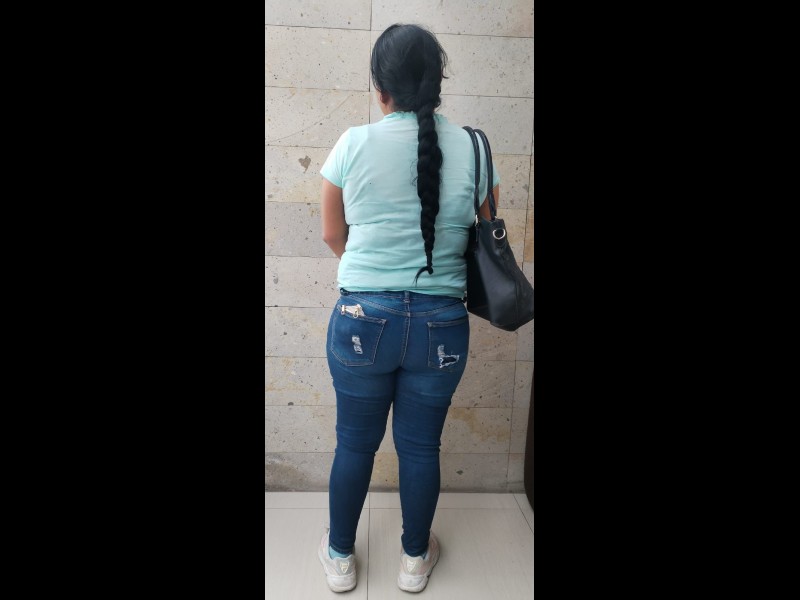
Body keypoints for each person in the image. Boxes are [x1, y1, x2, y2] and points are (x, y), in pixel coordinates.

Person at [316, 23, 500, 593]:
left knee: (355, 443)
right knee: (421, 447)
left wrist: (373, 279)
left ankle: (340, 558)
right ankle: (414, 560)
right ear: (437, 82)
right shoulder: (474, 148)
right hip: (441, 324)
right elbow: (487, 236)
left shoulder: (352, 143)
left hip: (360, 322)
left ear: (381, 88)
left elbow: (332, 235)